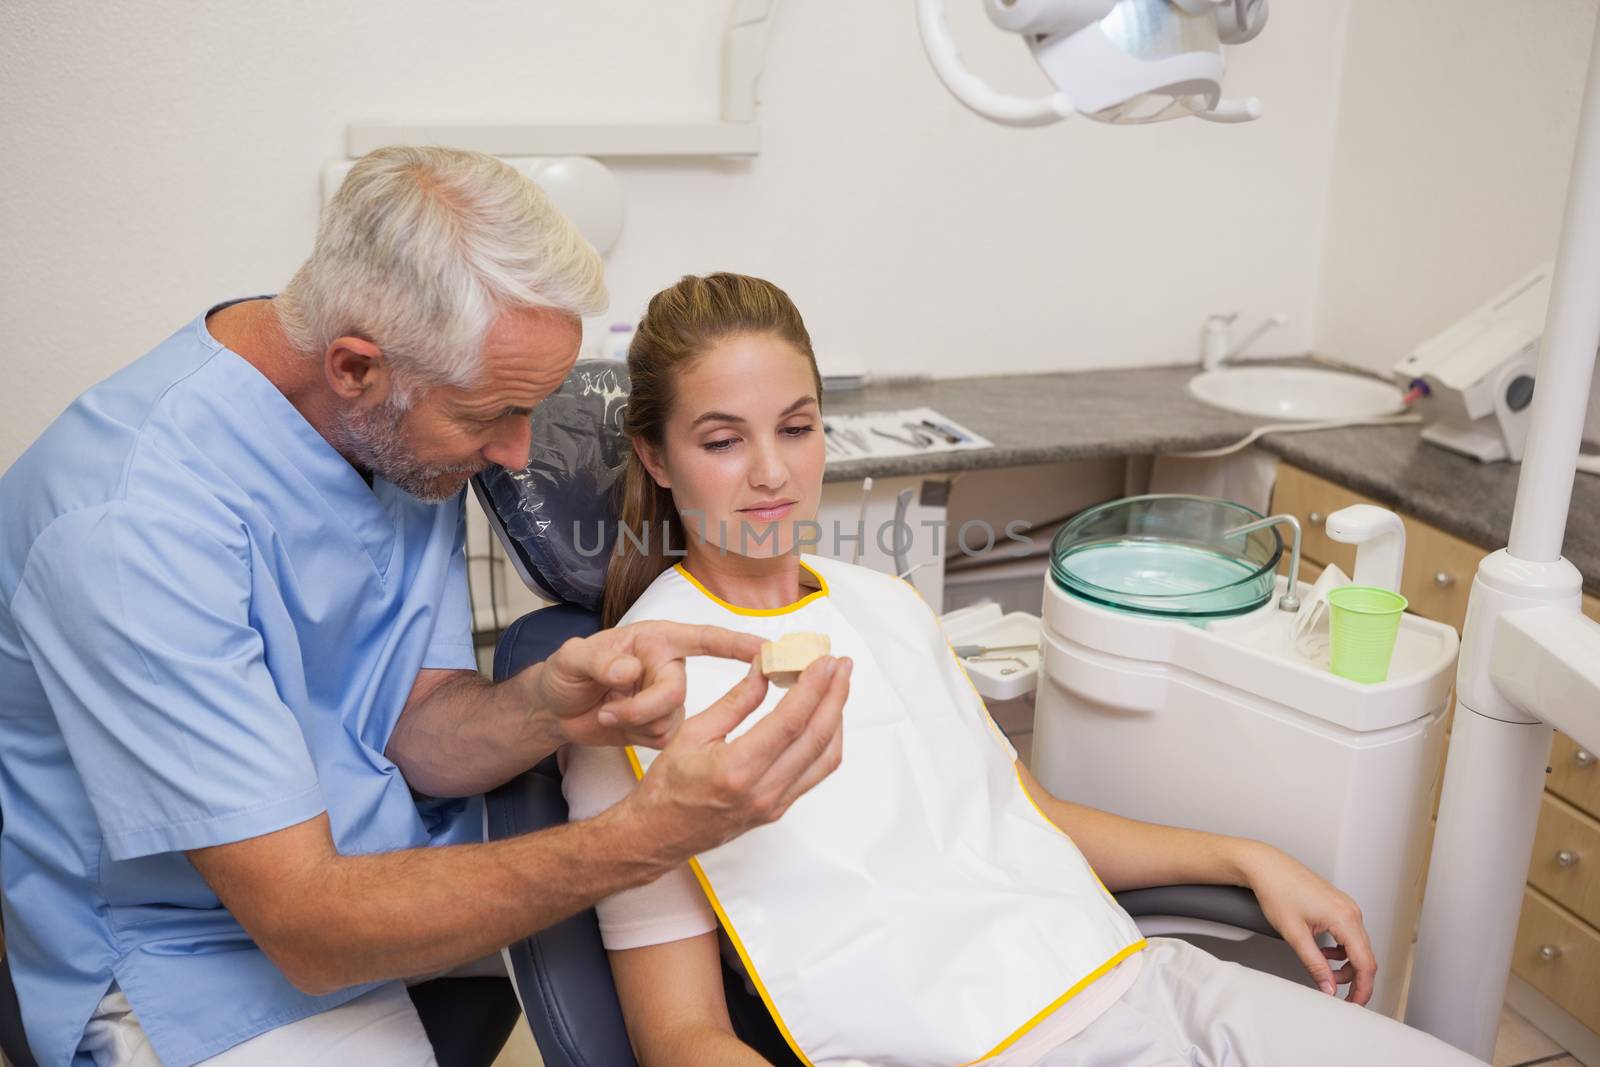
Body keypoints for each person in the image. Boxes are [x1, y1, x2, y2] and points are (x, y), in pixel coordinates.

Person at [0, 150, 846, 1067]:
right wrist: (641, 837)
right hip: (199, 958)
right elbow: (305, 924)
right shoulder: (131, 525)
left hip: (388, 864)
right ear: (356, 366)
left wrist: (543, 706)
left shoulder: (390, 425)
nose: (519, 455)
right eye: (494, 413)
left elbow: (411, 723)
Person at [562, 272, 1485, 1067]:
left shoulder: (882, 603)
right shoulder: (640, 693)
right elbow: (681, 1035)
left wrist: (1245, 856)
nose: (771, 472)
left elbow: (1022, 817)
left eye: (797, 427)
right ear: (656, 455)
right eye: (723, 441)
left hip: (1140, 984)